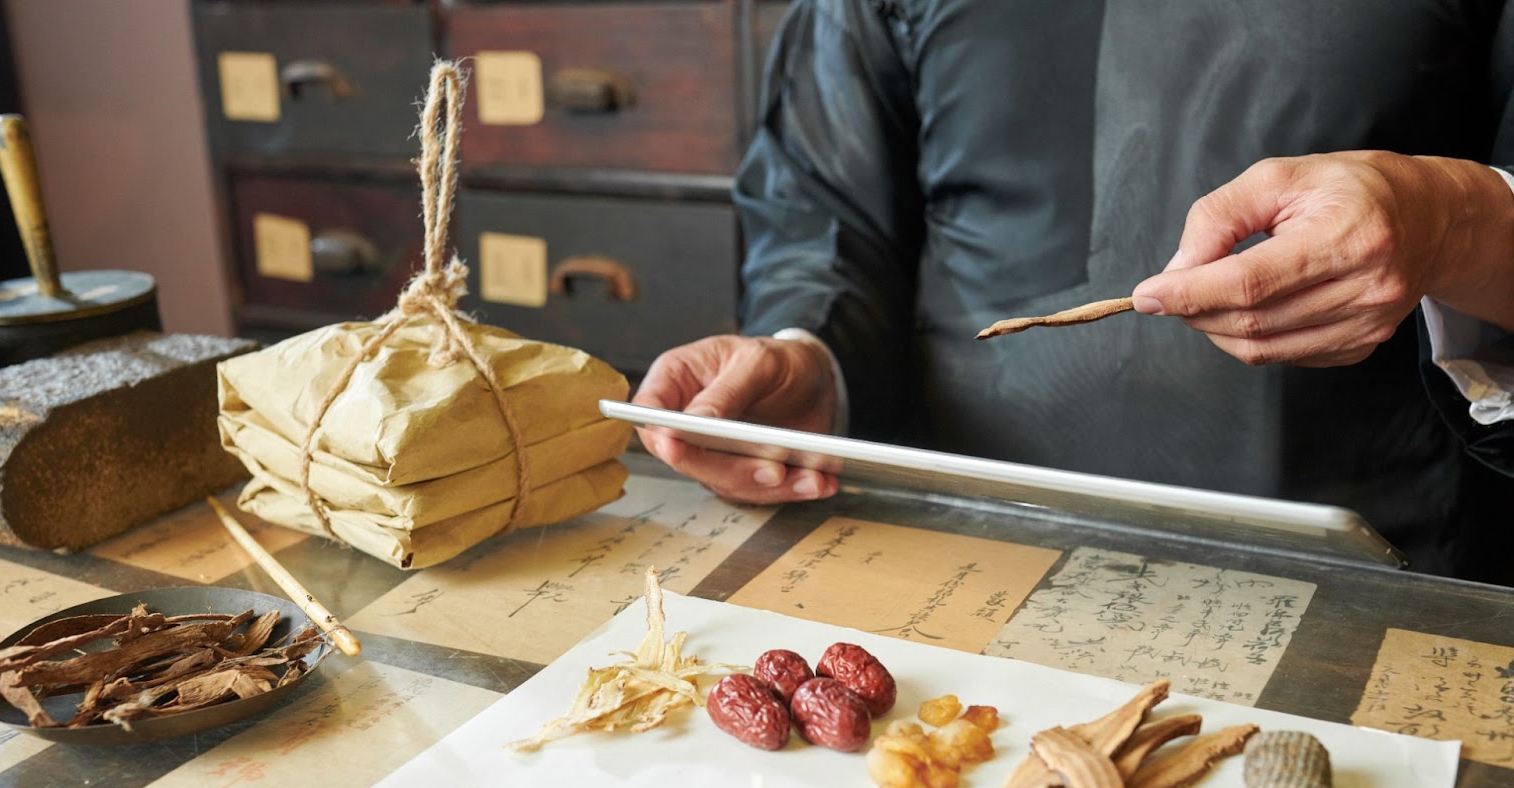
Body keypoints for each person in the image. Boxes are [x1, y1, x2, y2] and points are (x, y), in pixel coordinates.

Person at [632, 0, 1514, 582]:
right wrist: (811, 361)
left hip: (1378, 581)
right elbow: (826, 213)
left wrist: (1458, 222)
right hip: (954, 570)